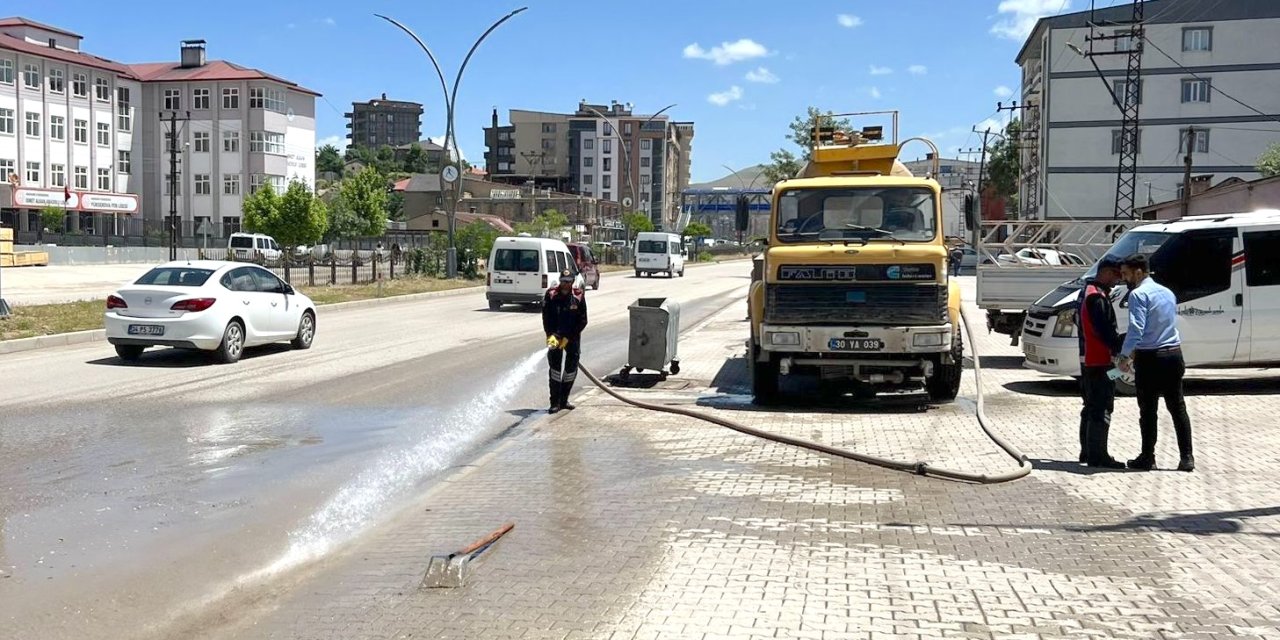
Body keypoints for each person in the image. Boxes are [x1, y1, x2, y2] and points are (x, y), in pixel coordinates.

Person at [1116, 253, 1194, 472]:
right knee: (1177, 407)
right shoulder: (1167, 292)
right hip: (1173, 355)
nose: (1123, 278)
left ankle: (1147, 456)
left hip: (1151, 358)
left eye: (1125, 273)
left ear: (1138, 271)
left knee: (1148, 410)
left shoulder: (1138, 295)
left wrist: (1124, 356)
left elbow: (1136, 329)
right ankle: (1187, 457)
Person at [1075, 258, 1126, 469]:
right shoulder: (1096, 298)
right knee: (1101, 407)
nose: (1117, 280)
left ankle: (1087, 451)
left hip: (1089, 360)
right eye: (1115, 275)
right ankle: (1098, 455)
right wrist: (1122, 347)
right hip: (1100, 361)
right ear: (1105, 272)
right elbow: (1105, 331)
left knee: (1090, 406)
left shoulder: (1087, 292)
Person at [542, 269, 588, 414]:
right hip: (554, 337)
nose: (565, 284)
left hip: (572, 338)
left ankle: (564, 400)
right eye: (563, 281)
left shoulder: (578, 296)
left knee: (570, 370)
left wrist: (570, 336)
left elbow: (583, 320)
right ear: (560, 281)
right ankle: (554, 403)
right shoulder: (551, 295)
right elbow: (546, 318)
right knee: (555, 370)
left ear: (573, 282)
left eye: (568, 282)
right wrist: (551, 336)